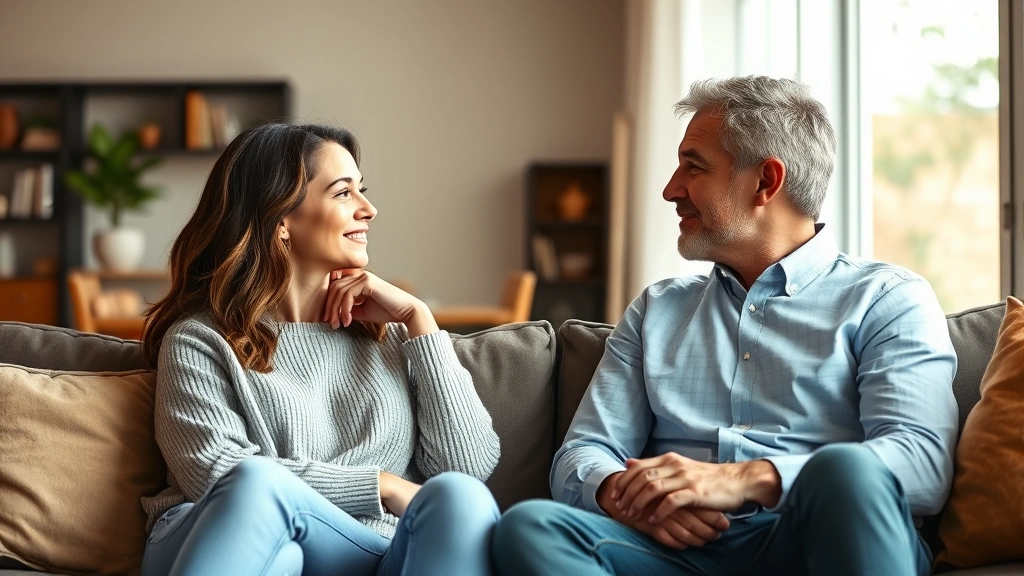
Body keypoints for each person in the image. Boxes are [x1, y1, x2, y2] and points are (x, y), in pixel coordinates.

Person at [492, 76, 958, 576]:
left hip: (813, 540)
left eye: (694, 166)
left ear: (766, 181)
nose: (671, 189)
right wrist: (624, 495)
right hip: (679, 551)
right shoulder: (657, 309)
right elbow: (586, 451)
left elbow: (921, 464)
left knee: (847, 471)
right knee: (531, 526)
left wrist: (747, 479)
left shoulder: (887, 299)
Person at [139, 122, 502, 576]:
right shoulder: (200, 339)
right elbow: (216, 474)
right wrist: (381, 486)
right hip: (222, 533)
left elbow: (465, 468)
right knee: (258, 487)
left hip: (362, 549)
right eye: (343, 193)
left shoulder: (387, 337)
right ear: (282, 220)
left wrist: (419, 321)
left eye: (361, 191)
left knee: (462, 497)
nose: (369, 209)